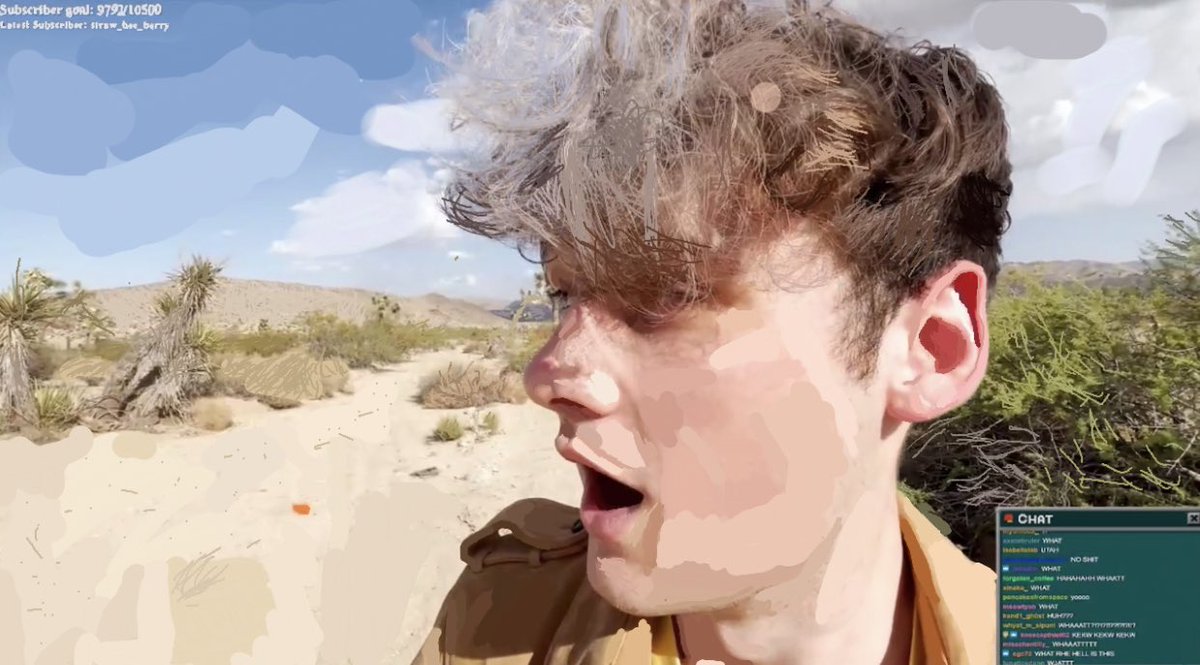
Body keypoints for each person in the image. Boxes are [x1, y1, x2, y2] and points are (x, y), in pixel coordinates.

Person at [412, 0, 1011, 663]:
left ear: (933, 348)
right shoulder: (496, 619)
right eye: (566, 296)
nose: (546, 375)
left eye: (670, 293)